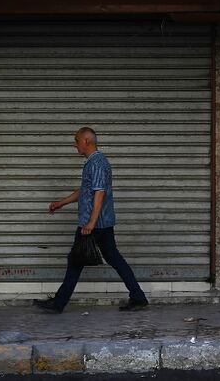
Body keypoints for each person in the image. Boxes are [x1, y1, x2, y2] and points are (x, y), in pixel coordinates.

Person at [33, 127, 149, 313]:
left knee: (75, 261)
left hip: (94, 224)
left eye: (77, 140)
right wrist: (61, 203)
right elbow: (85, 191)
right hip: (102, 223)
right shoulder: (94, 162)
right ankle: (138, 297)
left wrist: (91, 223)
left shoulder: (96, 163)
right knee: (114, 259)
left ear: (87, 141)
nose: (75, 144)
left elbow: (99, 193)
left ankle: (58, 303)